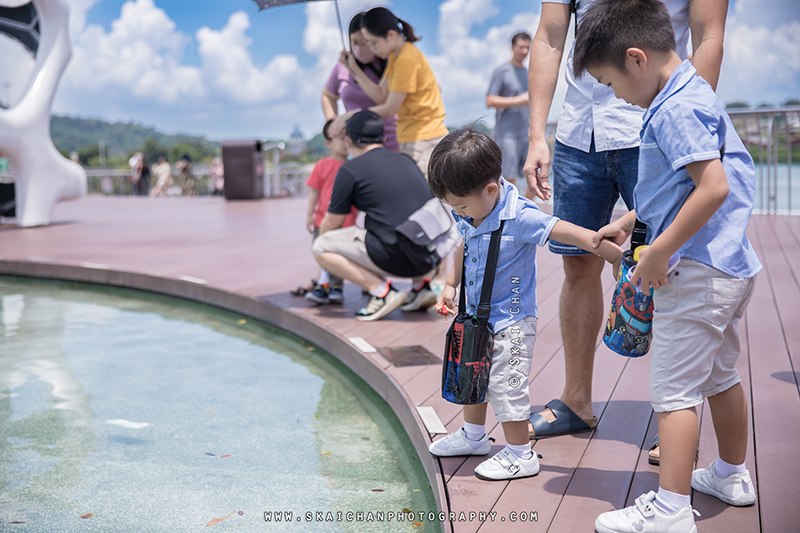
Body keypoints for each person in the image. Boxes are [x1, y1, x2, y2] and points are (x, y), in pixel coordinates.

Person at [573, 1, 761, 531]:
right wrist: (634, 220)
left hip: (697, 272)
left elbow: (713, 187)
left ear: (636, 59)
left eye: (610, 84)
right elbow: (683, 184)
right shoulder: (693, 93)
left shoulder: (672, 109)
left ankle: (672, 508)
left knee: (673, 392)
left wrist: (656, 251)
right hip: (727, 267)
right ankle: (730, 473)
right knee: (720, 376)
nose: (615, 96)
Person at [522, 0, 728, 442]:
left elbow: (708, 35)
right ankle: (576, 400)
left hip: (653, 121)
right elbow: (550, 35)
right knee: (578, 261)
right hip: (580, 130)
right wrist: (537, 134)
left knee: (668, 268)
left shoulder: (675, 114)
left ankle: (674, 419)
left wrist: (686, 117)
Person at [426, 128, 622, 480]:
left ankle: (520, 454)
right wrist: (450, 284)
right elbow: (464, 245)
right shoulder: (472, 212)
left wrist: (609, 252)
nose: (458, 213)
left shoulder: (520, 216)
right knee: (475, 373)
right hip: (477, 317)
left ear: (490, 189)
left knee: (507, 385)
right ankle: (473, 436)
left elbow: (566, 231)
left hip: (512, 321)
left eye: (460, 206)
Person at [313, 110, 443, 322]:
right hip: (430, 257)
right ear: (383, 139)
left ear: (348, 141)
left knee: (321, 245)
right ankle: (420, 287)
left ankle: (382, 292)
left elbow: (333, 222)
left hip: (395, 260)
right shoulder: (406, 160)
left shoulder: (350, 169)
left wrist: (325, 264)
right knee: (400, 221)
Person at [330, 7, 448, 180]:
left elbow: (391, 108)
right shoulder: (396, 57)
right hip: (414, 137)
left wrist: (351, 115)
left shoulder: (406, 59)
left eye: (373, 42)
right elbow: (380, 95)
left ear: (391, 35)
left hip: (425, 139)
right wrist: (352, 67)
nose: (371, 48)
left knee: (429, 200)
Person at [296, 120, 357, 305]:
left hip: (346, 222)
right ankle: (323, 284)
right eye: (340, 138)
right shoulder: (322, 165)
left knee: (340, 254)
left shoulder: (355, 166)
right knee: (321, 251)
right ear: (328, 143)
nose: (346, 142)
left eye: (348, 138)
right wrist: (309, 215)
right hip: (322, 220)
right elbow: (314, 191)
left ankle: (336, 286)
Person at [323, 12, 399, 152]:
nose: (359, 48)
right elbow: (328, 95)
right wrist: (333, 122)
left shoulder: (390, 63)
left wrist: (354, 69)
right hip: (356, 143)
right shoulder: (342, 66)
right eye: (355, 43)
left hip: (392, 140)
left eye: (365, 42)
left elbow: (383, 99)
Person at [487, 31, 532, 193]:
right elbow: (490, 100)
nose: (524, 51)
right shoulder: (501, 71)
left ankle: (522, 215)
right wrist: (518, 100)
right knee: (508, 179)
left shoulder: (530, 73)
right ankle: (506, 216)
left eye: (527, 47)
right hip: (507, 134)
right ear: (512, 47)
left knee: (535, 178)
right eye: (521, 47)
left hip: (527, 133)